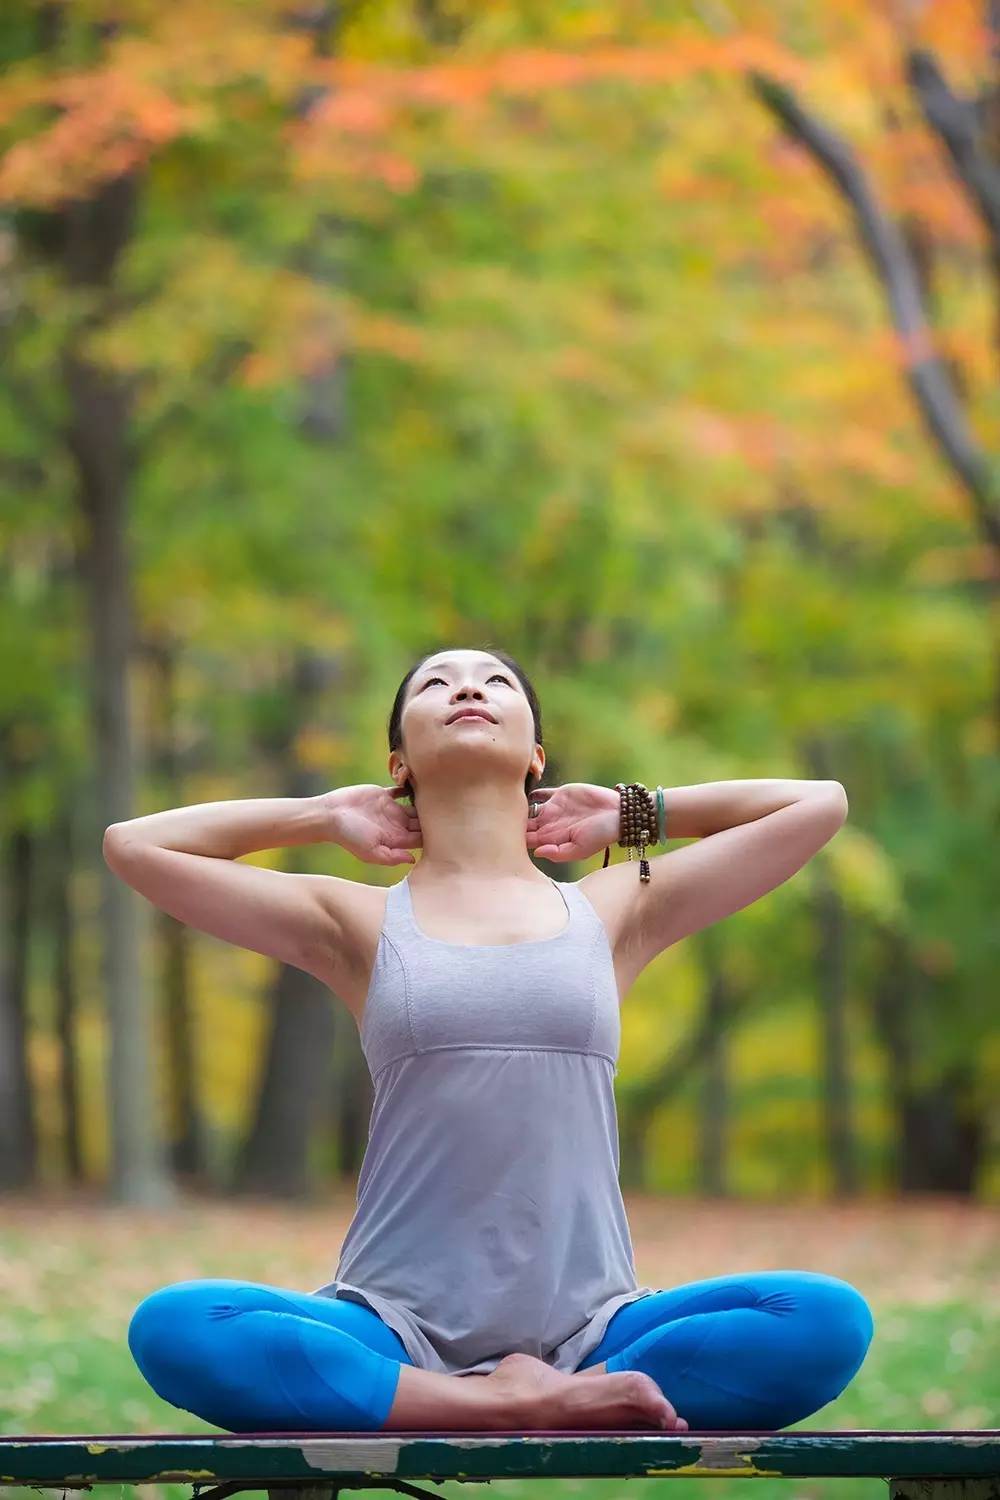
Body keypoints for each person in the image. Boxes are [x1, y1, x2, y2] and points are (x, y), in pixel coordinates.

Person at [109, 645, 874, 1434]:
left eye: (496, 681)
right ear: (398, 764)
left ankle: (561, 1390)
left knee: (824, 1319)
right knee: (178, 1327)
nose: (467, 688)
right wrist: (324, 815)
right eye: (436, 683)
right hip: (393, 1331)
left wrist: (636, 812)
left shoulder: (617, 908)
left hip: (595, 1332)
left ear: (536, 754)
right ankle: (519, 1404)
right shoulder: (355, 920)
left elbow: (817, 805)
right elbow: (134, 847)